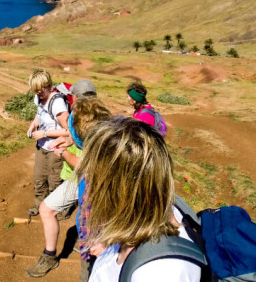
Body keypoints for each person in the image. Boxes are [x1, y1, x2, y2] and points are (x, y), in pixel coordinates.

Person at [75, 117, 201, 282]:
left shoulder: (161, 273)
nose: (89, 188)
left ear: (117, 190)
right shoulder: (151, 210)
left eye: (93, 179)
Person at [26, 90, 111, 279]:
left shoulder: (102, 159)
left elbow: (87, 166)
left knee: (90, 270)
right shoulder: (99, 126)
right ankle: (50, 255)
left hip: (98, 229)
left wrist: (64, 153)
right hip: (79, 180)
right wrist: (69, 139)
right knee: (47, 208)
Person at [26, 69, 70, 217]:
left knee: (55, 181)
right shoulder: (38, 98)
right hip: (42, 146)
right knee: (39, 178)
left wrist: (44, 133)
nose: (38, 93)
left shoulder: (57, 103)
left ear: (49, 85)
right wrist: (33, 125)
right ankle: (39, 204)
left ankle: (59, 209)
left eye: (41, 90)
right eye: (36, 90)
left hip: (55, 148)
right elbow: (40, 114)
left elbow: (68, 131)